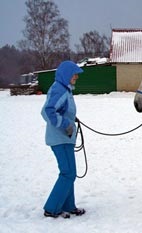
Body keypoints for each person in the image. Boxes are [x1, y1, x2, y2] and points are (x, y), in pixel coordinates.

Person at [41, 61, 86, 219]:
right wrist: (66, 123)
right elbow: (47, 111)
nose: (76, 77)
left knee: (70, 173)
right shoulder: (59, 89)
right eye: (74, 74)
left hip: (65, 138)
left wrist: (71, 119)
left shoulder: (65, 90)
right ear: (66, 74)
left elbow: (61, 110)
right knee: (67, 173)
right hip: (59, 138)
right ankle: (52, 208)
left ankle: (68, 206)